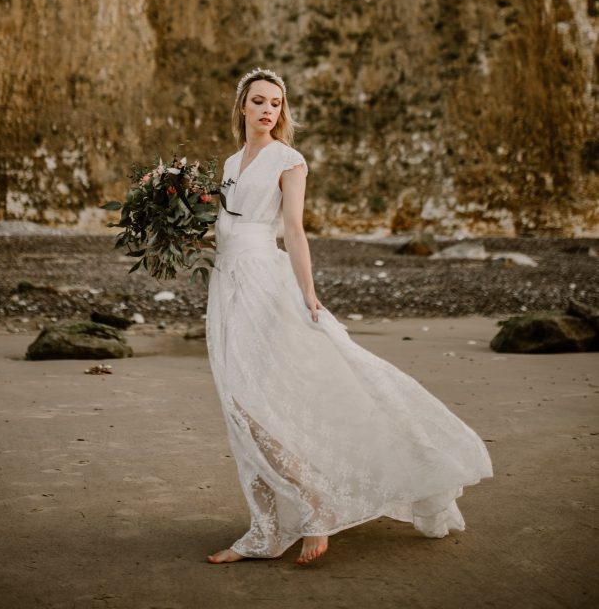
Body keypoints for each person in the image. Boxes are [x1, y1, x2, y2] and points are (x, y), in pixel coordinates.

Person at [205, 67, 493, 566]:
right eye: (259, 101)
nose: (268, 110)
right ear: (242, 108)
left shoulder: (287, 160)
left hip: (263, 287)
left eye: (276, 102)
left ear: (282, 111)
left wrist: (309, 295)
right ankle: (266, 528)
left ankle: (314, 504)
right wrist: (179, 233)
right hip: (225, 288)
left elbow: (292, 230)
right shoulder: (231, 162)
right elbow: (226, 229)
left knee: (253, 405)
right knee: (239, 409)